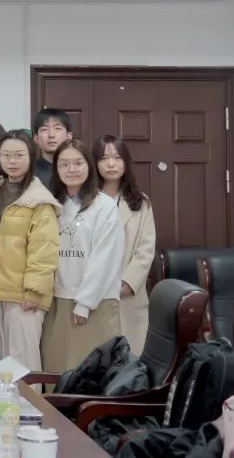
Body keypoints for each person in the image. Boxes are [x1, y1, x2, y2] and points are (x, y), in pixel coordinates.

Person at [41, 138, 123, 373]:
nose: (72, 169)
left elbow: (104, 259)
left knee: (91, 373)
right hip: (57, 300)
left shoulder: (104, 206)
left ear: (89, 165)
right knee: (56, 370)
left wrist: (85, 304)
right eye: (64, 164)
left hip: (94, 303)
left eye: (78, 163)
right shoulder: (51, 204)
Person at [0, 130, 60, 372]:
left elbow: (45, 250)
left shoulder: (39, 199)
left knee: (23, 362)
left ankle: (29, 400)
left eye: (19, 155)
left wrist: (35, 291)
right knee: (0, 361)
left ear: (30, 156)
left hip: (23, 294)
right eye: (6, 155)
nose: (12, 161)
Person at [94, 134, 156, 355]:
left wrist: (128, 283)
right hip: (93, 293)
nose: (111, 164)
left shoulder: (140, 202)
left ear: (126, 162)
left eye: (117, 158)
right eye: (104, 158)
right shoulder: (87, 200)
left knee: (129, 358)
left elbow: (145, 249)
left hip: (127, 295)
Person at [32, 108, 72, 185]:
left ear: (69, 136)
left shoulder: (78, 169)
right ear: (36, 138)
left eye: (57, 128)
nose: (51, 135)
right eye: (44, 129)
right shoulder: (29, 172)